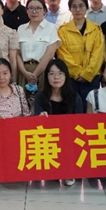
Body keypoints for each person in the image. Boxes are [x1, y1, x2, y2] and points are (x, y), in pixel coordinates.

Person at [33, 59, 81, 187]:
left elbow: (80, 125)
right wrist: (40, 118)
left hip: (68, 140)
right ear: (46, 76)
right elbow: (34, 124)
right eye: (52, 73)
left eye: (60, 73)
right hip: (48, 140)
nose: (56, 77)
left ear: (66, 76)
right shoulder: (40, 97)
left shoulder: (74, 97)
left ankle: (68, 171)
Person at [56, 0, 106, 107]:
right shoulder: (63, 30)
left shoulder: (95, 29)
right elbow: (63, 55)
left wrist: (87, 74)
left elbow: (98, 54)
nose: (78, 10)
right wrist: (78, 73)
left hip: (92, 77)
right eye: (74, 6)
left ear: (87, 8)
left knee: (90, 109)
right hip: (70, 78)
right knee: (72, 108)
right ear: (70, 9)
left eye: (81, 6)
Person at [16, 0, 60, 95]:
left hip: (44, 70)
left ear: (44, 10)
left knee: (43, 100)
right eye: (31, 8)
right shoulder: (21, 29)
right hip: (24, 71)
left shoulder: (51, 28)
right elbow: (17, 54)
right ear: (27, 11)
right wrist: (24, 73)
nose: (34, 11)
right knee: (23, 101)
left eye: (38, 8)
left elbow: (49, 54)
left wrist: (34, 75)